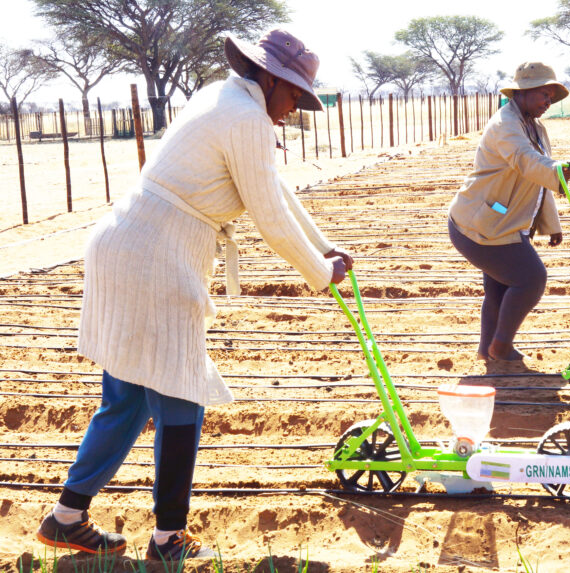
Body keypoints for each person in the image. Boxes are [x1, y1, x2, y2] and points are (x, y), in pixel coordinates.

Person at [35, 28, 352, 560]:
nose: (293, 108)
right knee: (183, 394)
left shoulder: (224, 98)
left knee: (128, 398)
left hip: (129, 244)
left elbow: (272, 189)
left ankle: (66, 517)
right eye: (294, 94)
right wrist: (320, 273)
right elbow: (269, 216)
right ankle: (169, 539)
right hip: (157, 259)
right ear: (270, 79)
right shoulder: (246, 117)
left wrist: (323, 247)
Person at [448, 62, 570, 361]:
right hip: (480, 224)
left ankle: (488, 350)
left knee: (500, 287)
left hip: (500, 221)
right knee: (531, 279)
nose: (548, 102)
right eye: (543, 94)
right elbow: (525, 160)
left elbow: (536, 178)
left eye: (551, 96)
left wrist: (551, 224)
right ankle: (501, 346)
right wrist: (557, 172)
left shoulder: (534, 125)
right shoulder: (505, 125)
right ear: (523, 92)